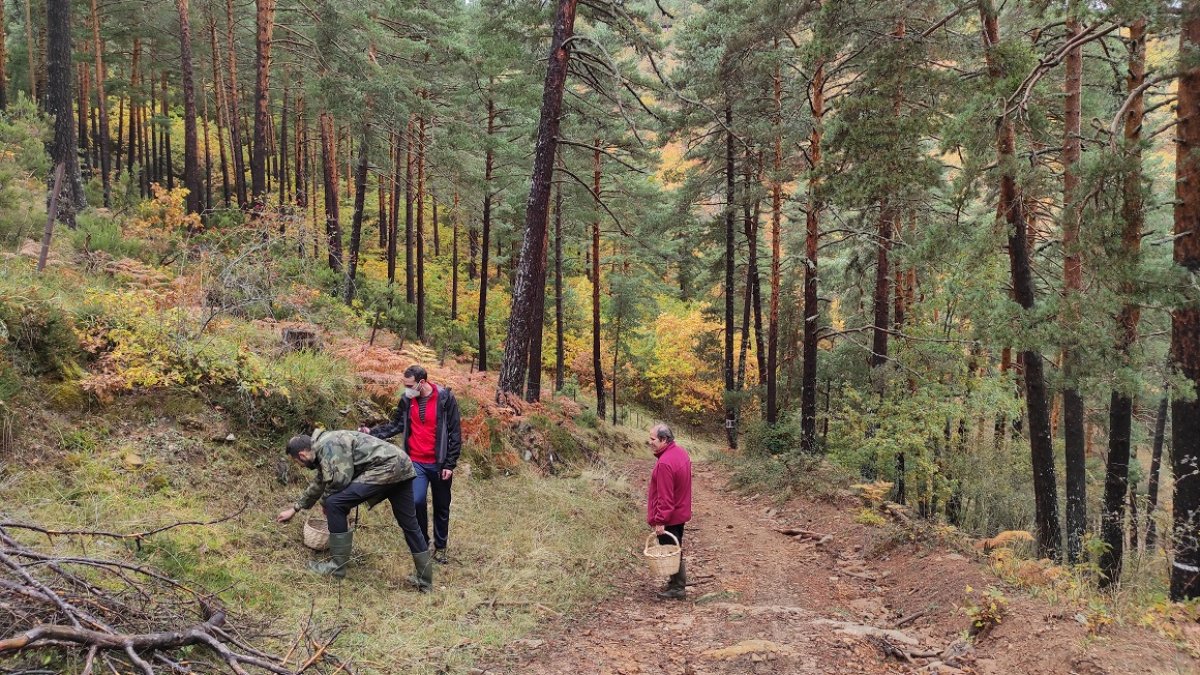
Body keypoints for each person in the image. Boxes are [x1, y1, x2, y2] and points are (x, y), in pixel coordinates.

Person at [276, 429, 434, 592]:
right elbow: (320, 482)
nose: (301, 466)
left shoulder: (329, 445)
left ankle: (337, 568)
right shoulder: (323, 447)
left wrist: (326, 504)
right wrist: (294, 509)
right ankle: (425, 580)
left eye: (298, 462)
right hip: (402, 464)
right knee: (410, 524)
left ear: (302, 455)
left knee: (334, 503)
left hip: (386, 467)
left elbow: (340, 481)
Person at [361, 364, 462, 565]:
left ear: (421, 382)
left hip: (439, 463)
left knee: (442, 506)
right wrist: (371, 433)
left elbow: (455, 432)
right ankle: (423, 543)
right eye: (404, 385)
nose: (406, 389)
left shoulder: (444, 398)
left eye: (409, 385)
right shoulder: (407, 400)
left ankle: (440, 547)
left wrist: (449, 464)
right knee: (416, 502)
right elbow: (396, 425)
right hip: (415, 462)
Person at [646, 423, 692, 600]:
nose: (650, 442)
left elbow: (665, 497)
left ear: (664, 439)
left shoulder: (665, 463)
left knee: (672, 549)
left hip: (671, 516)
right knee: (676, 546)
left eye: (653, 439)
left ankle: (678, 588)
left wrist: (660, 520)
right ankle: (675, 584)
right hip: (680, 512)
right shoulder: (680, 453)